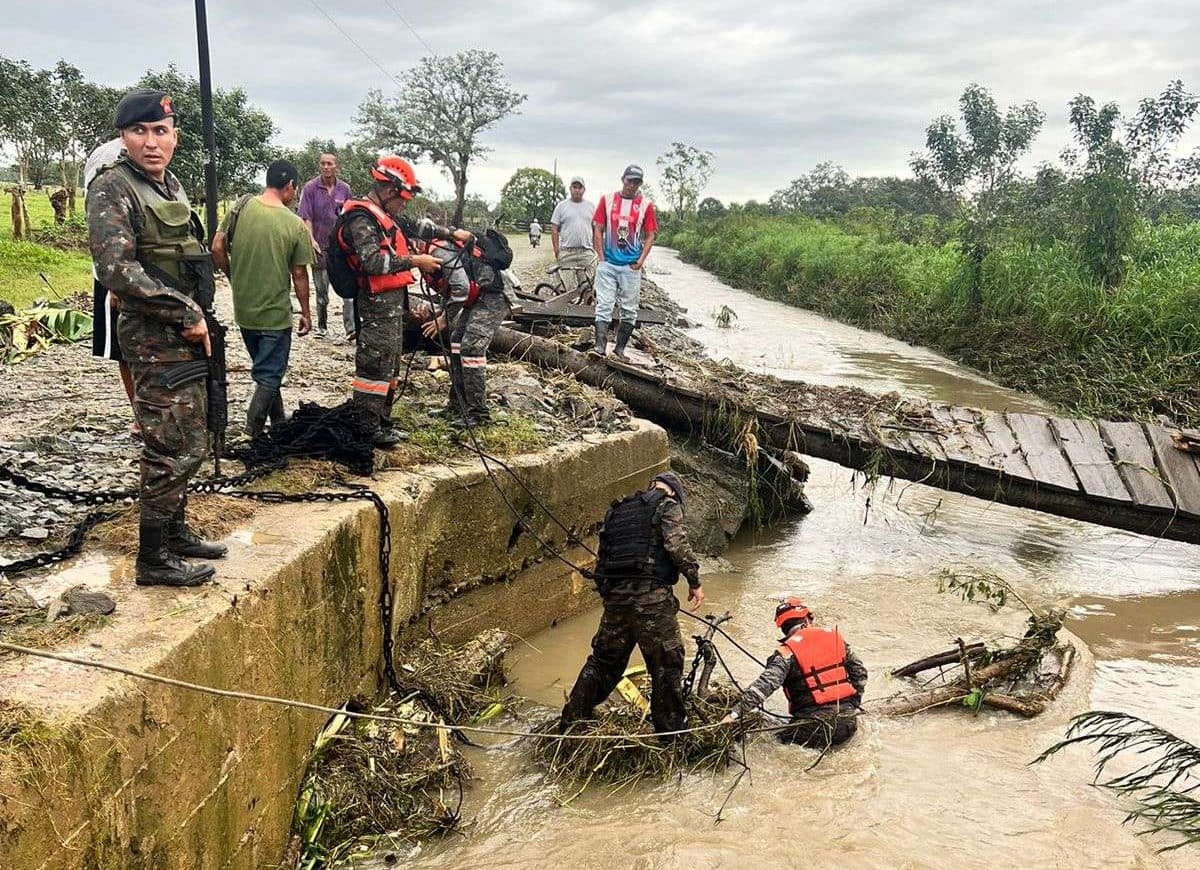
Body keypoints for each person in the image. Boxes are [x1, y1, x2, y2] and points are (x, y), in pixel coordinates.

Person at [86, 88, 226, 588]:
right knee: (169, 443)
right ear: (124, 137)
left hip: (184, 333)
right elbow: (116, 270)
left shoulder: (169, 185)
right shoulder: (113, 187)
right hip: (153, 337)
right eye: (139, 131)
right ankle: (152, 558)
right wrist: (183, 310)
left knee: (193, 432)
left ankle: (175, 533)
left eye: (160, 131)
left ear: (175, 137)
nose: (151, 142)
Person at [334, 155, 463, 446]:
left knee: (390, 365)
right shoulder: (361, 218)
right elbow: (371, 262)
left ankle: (382, 421)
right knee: (374, 367)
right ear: (390, 190)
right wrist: (415, 261)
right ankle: (366, 427)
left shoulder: (385, 215)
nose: (403, 205)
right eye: (402, 199)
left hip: (391, 305)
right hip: (375, 305)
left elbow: (417, 226)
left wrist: (452, 234)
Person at [561, 472, 704, 735]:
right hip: (651, 600)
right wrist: (694, 581)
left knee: (603, 663)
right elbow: (676, 545)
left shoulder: (617, 511)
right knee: (666, 663)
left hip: (615, 600)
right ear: (673, 492)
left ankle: (572, 721)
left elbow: (603, 556)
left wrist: (609, 595)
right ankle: (670, 735)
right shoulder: (667, 505)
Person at [211, 160, 313, 439]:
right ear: (290, 186)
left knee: (267, 369)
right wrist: (306, 311)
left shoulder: (241, 206)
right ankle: (251, 432)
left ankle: (278, 424)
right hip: (274, 314)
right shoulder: (294, 225)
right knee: (270, 374)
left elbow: (217, 247)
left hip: (244, 310)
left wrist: (234, 277)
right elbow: (299, 273)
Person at [722, 598, 867, 748]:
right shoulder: (836, 638)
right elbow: (860, 673)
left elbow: (763, 687)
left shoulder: (785, 654)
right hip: (849, 723)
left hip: (811, 728)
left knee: (763, 744)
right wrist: (854, 704)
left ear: (783, 628)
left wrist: (733, 714)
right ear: (807, 619)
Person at [415, 231, 510, 427]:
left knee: (471, 348)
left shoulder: (440, 253)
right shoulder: (432, 254)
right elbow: (451, 289)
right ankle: (458, 405)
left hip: (494, 295)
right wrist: (436, 311)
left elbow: (461, 288)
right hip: (477, 298)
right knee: (456, 342)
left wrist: (444, 320)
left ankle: (478, 414)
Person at [85, 137, 138, 437]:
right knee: (124, 350)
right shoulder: (107, 158)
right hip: (116, 272)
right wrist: (112, 283)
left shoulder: (156, 163)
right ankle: (140, 416)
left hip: (150, 272)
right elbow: (97, 223)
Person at [590, 165, 658, 361]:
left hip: (630, 266)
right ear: (623, 179)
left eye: (637, 182)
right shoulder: (607, 200)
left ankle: (620, 350)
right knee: (604, 305)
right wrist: (601, 257)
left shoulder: (645, 205)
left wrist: (641, 260)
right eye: (630, 181)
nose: (632, 185)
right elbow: (598, 228)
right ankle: (600, 347)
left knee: (629, 310)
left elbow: (650, 234)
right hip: (609, 263)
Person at [298, 153, 352, 339]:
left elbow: (349, 217)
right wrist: (311, 240)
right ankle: (322, 327)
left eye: (329, 164)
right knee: (322, 293)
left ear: (336, 166)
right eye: (323, 164)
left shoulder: (344, 189)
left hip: (341, 249)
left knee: (348, 291)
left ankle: (351, 329)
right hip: (320, 246)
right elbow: (306, 217)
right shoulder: (310, 188)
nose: (326, 167)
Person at [550, 176, 597, 298]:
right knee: (569, 291)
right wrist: (557, 251)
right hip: (567, 252)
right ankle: (568, 313)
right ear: (570, 189)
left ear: (584, 189)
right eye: (574, 187)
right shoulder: (561, 206)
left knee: (588, 288)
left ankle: (586, 312)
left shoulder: (591, 207)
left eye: (579, 187)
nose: (577, 190)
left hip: (586, 253)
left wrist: (596, 251)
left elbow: (596, 230)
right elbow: (554, 229)